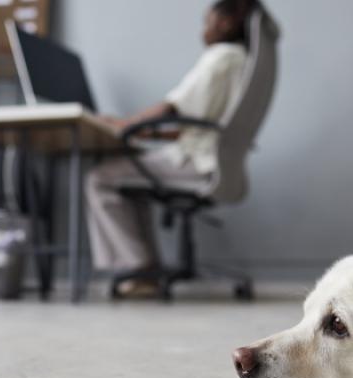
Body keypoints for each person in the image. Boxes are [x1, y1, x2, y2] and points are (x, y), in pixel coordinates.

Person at [88, 0, 258, 296]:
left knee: (99, 178)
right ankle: (145, 268)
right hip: (213, 160)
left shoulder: (222, 57)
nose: (203, 30)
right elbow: (194, 125)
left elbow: (173, 108)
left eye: (207, 22)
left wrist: (125, 124)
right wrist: (141, 132)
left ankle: (139, 269)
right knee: (130, 179)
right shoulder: (242, 61)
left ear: (226, 23)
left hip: (198, 162)